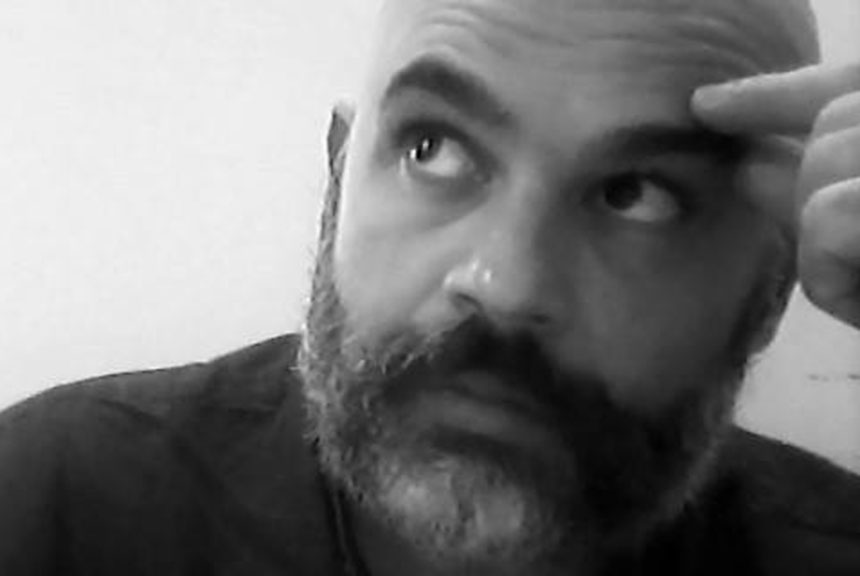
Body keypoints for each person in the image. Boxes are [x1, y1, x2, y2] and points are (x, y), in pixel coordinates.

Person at [2, 0, 860, 574]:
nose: (505, 283)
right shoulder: (53, 507)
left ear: (770, 289)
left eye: (637, 195)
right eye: (434, 149)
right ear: (340, 180)